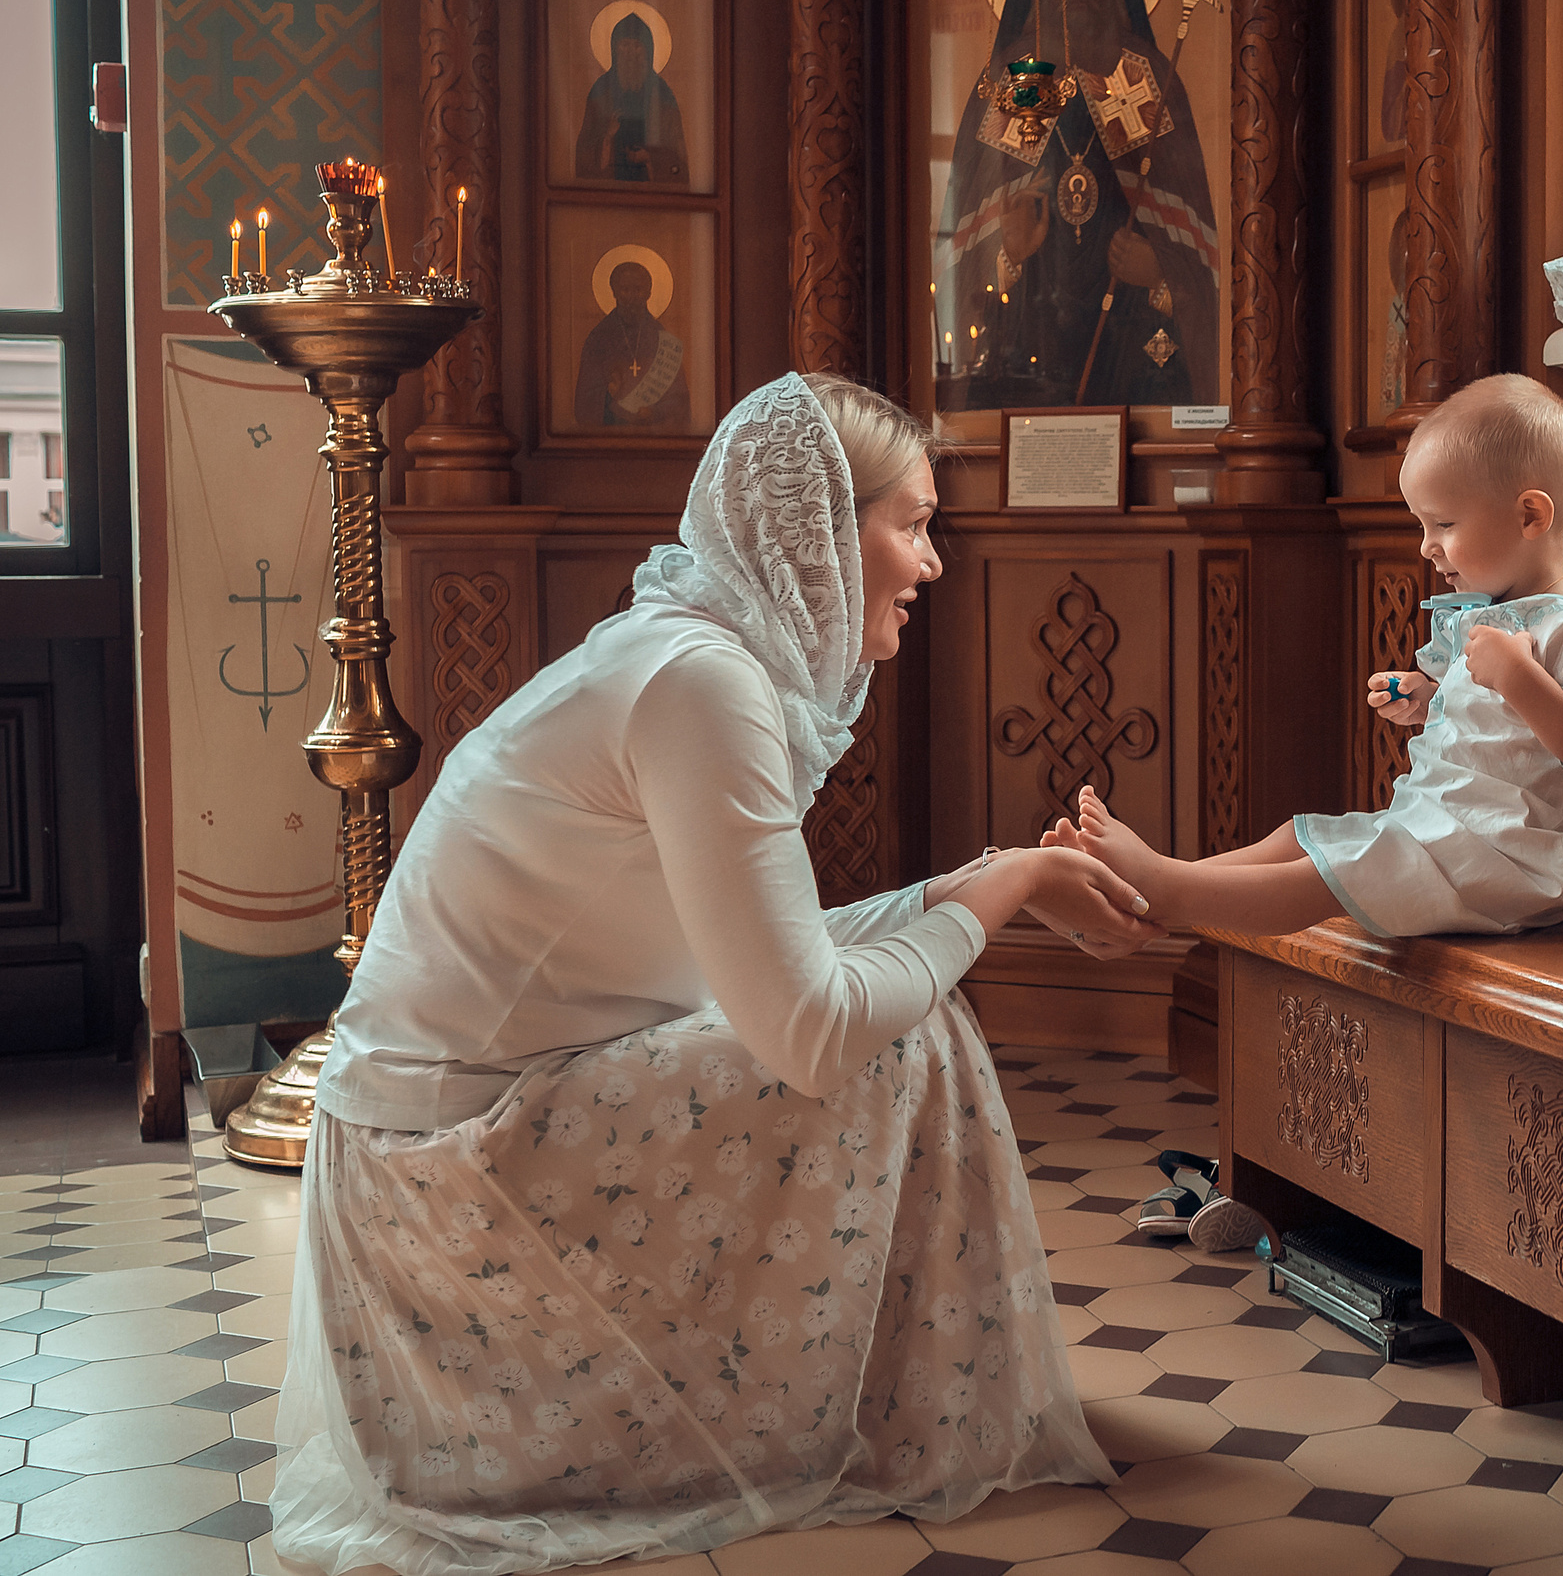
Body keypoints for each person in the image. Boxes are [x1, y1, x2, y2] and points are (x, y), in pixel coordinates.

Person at [270, 373, 1160, 1574]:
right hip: (443, 1197)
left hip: (444, 1147)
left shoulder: (692, 659)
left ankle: (870, 1404)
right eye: (914, 524)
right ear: (824, 541)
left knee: (904, 1004)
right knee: (904, 1034)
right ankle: (902, 1418)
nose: (931, 564)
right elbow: (809, 1026)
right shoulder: (705, 684)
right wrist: (995, 896)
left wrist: (987, 879)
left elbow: (778, 960)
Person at [1056, 374, 1563, 939]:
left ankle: (1167, 895)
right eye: (1422, 525)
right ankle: (1163, 874)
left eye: (1444, 523)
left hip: (1504, 861)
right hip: (1443, 833)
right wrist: (1429, 699)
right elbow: (1503, 737)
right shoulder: (1488, 617)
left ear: (1531, 515)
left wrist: (1516, 675)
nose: (1428, 547)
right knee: (1300, 836)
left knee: (1332, 874)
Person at [934, 0, 1220, 409]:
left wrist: (1159, 271)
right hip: (1030, 331)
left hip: (1134, 330)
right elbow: (971, 239)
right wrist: (1010, 255)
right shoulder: (1027, 80)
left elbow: (1191, 232)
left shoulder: (1138, 75)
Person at [573, 259, 690, 429]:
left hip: (655, 438)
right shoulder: (599, 339)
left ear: (649, 292)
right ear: (614, 292)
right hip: (611, 436)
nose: (632, 297)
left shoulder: (662, 340)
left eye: (638, 289)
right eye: (625, 289)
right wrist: (609, 396)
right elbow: (585, 402)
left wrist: (654, 412)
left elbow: (679, 400)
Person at [574, 12, 689, 185]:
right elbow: (584, 152)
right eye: (624, 45)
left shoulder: (662, 94)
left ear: (648, 51)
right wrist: (607, 138)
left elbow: (677, 155)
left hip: (652, 195)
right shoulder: (601, 91)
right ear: (614, 49)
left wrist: (649, 157)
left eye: (637, 46)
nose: (630, 54)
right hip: (609, 192)